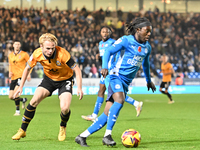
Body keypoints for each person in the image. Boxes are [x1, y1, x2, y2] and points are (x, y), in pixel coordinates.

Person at [75, 17, 156, 147]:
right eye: (147, 31)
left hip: (125, 82)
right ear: (138, 29)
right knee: (120, 100)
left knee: (107, 113)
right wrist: (105, 66)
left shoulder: (147, 48)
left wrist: (148, 80)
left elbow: (145, 64)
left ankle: (82, 136)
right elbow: (108, 51)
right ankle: (107, 135)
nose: (149, 34)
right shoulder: (126, 40)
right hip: (115, 76)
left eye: (150, 31)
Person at [12, 33, 83, 142]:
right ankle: (22, 130)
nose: (50, 51)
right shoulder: (37, 54)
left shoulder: (63, 54)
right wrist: (21, 87)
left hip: (65, 80)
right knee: (34, 101)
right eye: (48, 48)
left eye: (52, 48)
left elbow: (77, 70)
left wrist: (79, 87)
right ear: (41, 46)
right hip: (49, 79)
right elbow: (27, 69)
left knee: (64, 108)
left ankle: (62, 127)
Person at [81, 26, 144, 122]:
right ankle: (94, 115)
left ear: (110, 33)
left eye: (107, 32)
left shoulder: (114, 42)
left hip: (111, 71)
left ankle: (135, 103)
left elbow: (120, 51)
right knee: (101, 91)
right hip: (105, 70)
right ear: (100, 33)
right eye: (103, 32)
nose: (105, 33)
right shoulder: (100, 44)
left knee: (113, 92)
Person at [8, 41, 30, 116]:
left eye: (18, 44)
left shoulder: (24, 54)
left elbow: (31, 63)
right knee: (11, 96)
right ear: (13, 45)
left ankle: (17, 111)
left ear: (20, 46)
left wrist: (28, 74)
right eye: (16, 44)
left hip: (21, 76)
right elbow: (10, 64)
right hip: (13, 77)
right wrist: (10, 72)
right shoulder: (10, 55)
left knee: (16, 94)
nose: (17, 46)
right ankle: (23, 100)